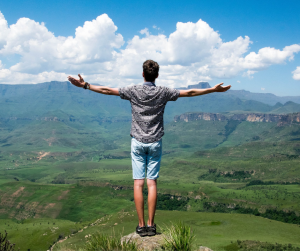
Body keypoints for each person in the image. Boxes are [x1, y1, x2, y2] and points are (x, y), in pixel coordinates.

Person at [68, 59, 231, 237]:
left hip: (137, 141)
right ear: (157, 75)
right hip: (155, 142)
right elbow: (190, 92)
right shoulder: (164, 92)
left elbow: (107, 90)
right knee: (151, 182)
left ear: (143, 74)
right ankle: (151, 226)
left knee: (138, 183)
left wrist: (86, 85)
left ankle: (141, 226)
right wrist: (213, 89)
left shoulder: (133, 90)